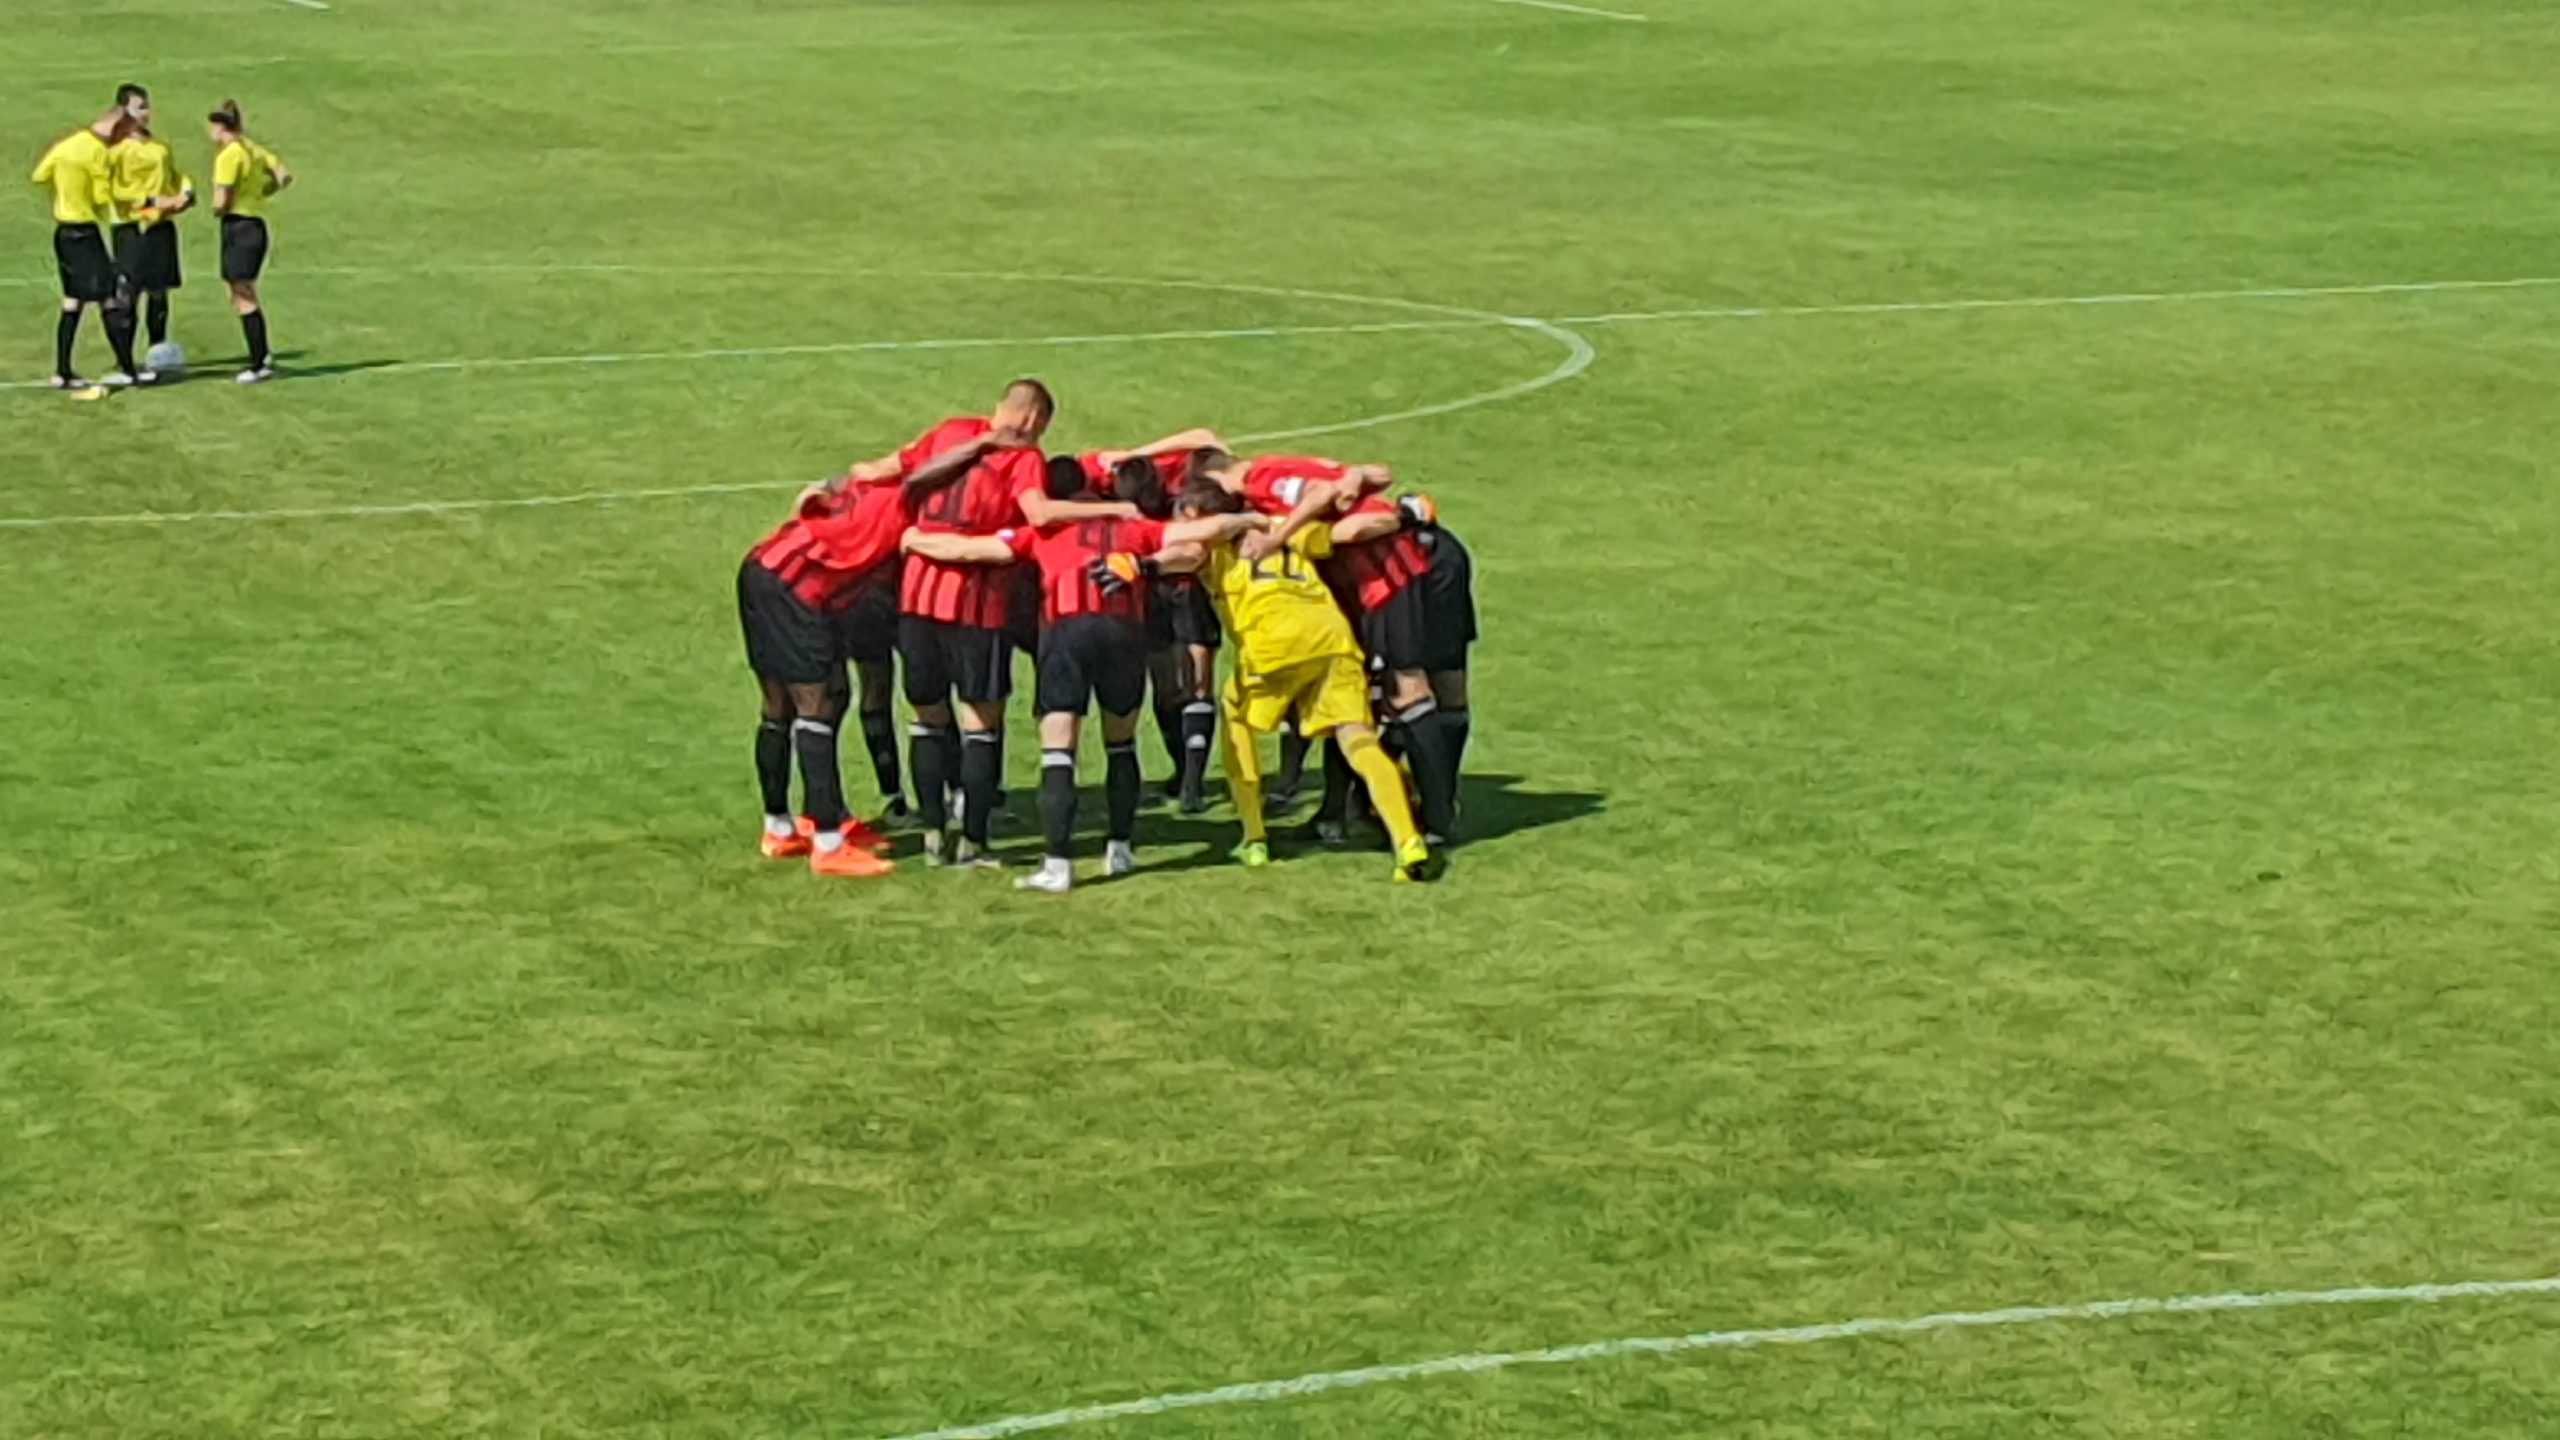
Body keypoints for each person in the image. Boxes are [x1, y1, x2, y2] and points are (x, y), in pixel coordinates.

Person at [835, 381, 1130, 867]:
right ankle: (972, 841)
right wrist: (1114, 508)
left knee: (926, 720)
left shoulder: (950, 431)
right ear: (1034, 419)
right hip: (977, 606)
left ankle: (932, 836)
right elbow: (1038, 512)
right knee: (980, 724)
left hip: (915, 602)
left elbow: (877, 470)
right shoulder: (1023, 458)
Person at [899, 460, 1229, 893]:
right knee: (1121, 743)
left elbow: (974, 551)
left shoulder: (1044, 532)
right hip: (1123, 632)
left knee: (1059, 750)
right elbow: (1193, 545)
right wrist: (1151, 562)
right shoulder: (1133, 526)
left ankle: (1057, 865)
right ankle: (1121, 847)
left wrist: (916, 539)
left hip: (1066, 631)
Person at [736, 434, 1013, 876]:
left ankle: (787, 825)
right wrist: (982, 444)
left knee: (788, 704)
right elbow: (921, 481)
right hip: (793, 590)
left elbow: (823, 489)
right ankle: (827, 843)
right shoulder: (903, 503)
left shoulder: (866, 486)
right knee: (817, 706)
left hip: (767, 569)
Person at [1162, 483, 1441, 884]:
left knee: (1235, 720)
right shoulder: (1283, 527)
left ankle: (1255, 837)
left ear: (1194, 515)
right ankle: (1409, 841)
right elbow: (1351, 532)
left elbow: (1180, 554)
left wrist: (1140, 564)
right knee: (1358, 740)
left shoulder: (1210, 546)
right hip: (1332, 640)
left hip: (1273, 644)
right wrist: (1402, 517)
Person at [1195, 446, 1463, 844]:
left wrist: (1277, 537)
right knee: (1373, 694)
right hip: (1420, 562)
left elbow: (1343, 515)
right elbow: (1376, 474)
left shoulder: (1261, 481)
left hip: (1390, 576)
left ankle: (1436, 819)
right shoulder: (1282, 465)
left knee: (1405, 690)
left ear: (1220, 477)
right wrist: (1358, 480)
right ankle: (1343, 811)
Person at [30, 104, 141, 391]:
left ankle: (63, 371)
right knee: (109, 297)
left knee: (73, 300)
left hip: (63, 232)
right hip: (85, 233)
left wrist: (67, 186)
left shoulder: (66, 144)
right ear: (116, 127)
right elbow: (104, 197)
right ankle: (127, 368)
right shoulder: (97, 153)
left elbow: (40, 175)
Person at [205, 100, 291, 385]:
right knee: (243, 291)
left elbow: (221, 199)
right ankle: (261, 355)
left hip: (238, 226)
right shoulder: (252, 149)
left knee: (242, 294)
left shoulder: (228, 156)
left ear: (220, 126)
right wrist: (264, 191)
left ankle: (258, 362)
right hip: (256, 224)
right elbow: (283, 174)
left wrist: (218, 208)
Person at [107, 84, 191, 364]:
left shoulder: (158, 147)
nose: (146, 113)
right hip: (132, 228)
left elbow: (175, 176)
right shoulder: (116, 150)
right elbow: (116, 192)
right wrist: (151, 203)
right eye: (139, 107)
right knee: (129, 293)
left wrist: (185, 195)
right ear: (123, 111)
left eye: (147, 106)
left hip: (161, 227)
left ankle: (158, 351)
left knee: (159, 291)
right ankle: (125, 358)